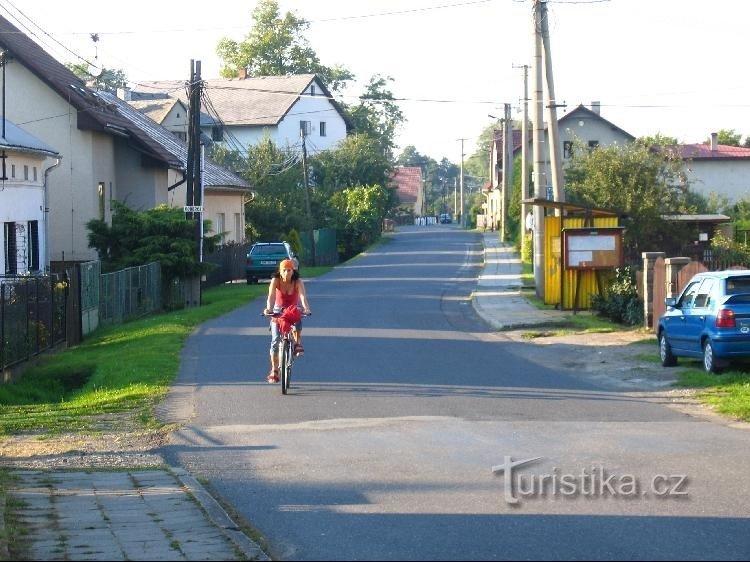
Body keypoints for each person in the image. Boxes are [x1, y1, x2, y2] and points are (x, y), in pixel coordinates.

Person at [263, 258, 311, 384]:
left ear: (293, 271)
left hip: (293, 308)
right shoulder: (275, 280)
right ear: (280, 270)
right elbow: (271, 296)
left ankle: (297, 343)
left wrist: (306, 308)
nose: (286, 273)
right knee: (275, 341)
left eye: (289, 270)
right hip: (278, 309)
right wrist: (269, 308)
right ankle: (274, 370)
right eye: (284, 270)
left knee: (299, 317)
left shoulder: (297, 281)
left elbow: (302, 296)